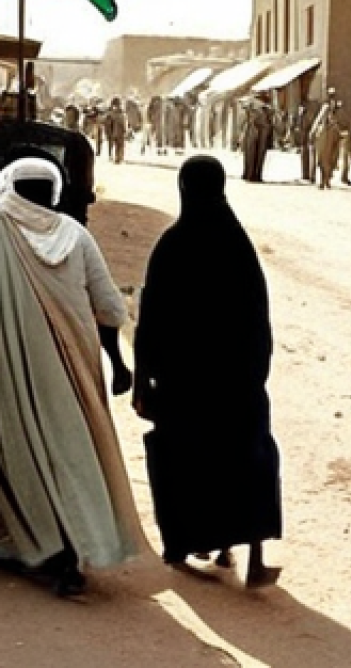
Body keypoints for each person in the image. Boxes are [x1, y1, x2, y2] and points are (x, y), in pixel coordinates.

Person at [132, 155, 282, 587]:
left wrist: (144, 379)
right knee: (248, 458)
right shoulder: (238, 244)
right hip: (237, 380)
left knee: (187, 460)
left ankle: (185, 544)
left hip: (185, 383)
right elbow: (258, 315)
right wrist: (256, 371)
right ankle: (251, 552)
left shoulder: (173, 244)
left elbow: (151, 317)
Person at [0, 157, 142, 597]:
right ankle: (74, 548)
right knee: (73, 452)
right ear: (55, 191)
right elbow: (109, 309)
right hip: (75, 368)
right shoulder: (76, 236)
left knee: (18, 453)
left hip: (11, 371)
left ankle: (37, 544)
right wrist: (117, 364)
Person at [310, 88, 351, 188]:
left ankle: (326, 180)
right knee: (323, 159)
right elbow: (319, 120)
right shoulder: (326, 108)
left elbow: (343, 123)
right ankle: (323, 181)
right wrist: (313, 132)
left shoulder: (338, 110)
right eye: (331, 96)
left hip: (332, 137)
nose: (332, 99)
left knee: (330, 160)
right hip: (325, 135)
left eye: (333, 96)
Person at [240, 91, 274, 183]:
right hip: (254, 128)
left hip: (261, 129)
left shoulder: (266, 108)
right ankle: (251, 174)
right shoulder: (251, 105)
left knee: (258, 153)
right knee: (252, 153)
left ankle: (255, 174)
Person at [104, 96, 128, 164]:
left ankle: (117, 158)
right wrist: (125, 130)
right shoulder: (121, 113)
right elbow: (123, 122)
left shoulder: (110, 113)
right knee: (120, 145)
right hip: (119, 132)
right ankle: (119, 158)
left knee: (117, 145)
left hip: (113, 132)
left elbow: (105, 121)